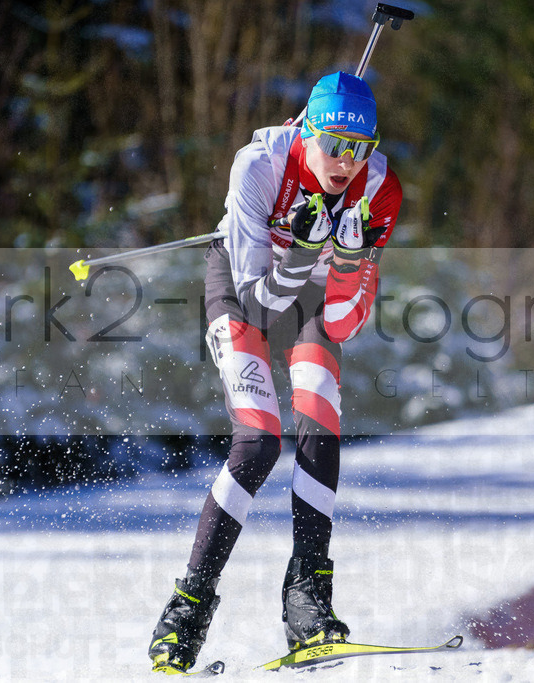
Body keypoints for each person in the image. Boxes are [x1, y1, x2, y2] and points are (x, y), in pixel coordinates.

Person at [148, 71, 402, 674]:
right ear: (305, 130)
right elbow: (258, 307)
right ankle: (185, 613)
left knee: (319, 419)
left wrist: (344, 258)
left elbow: (341, 322)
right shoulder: (258, 166)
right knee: (258, 441)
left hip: (315, 295)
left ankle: (308, 603)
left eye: (359, 148)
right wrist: (302, 254)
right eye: (334, 143)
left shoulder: (379, 187)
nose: (345, 162)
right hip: (245, 288)